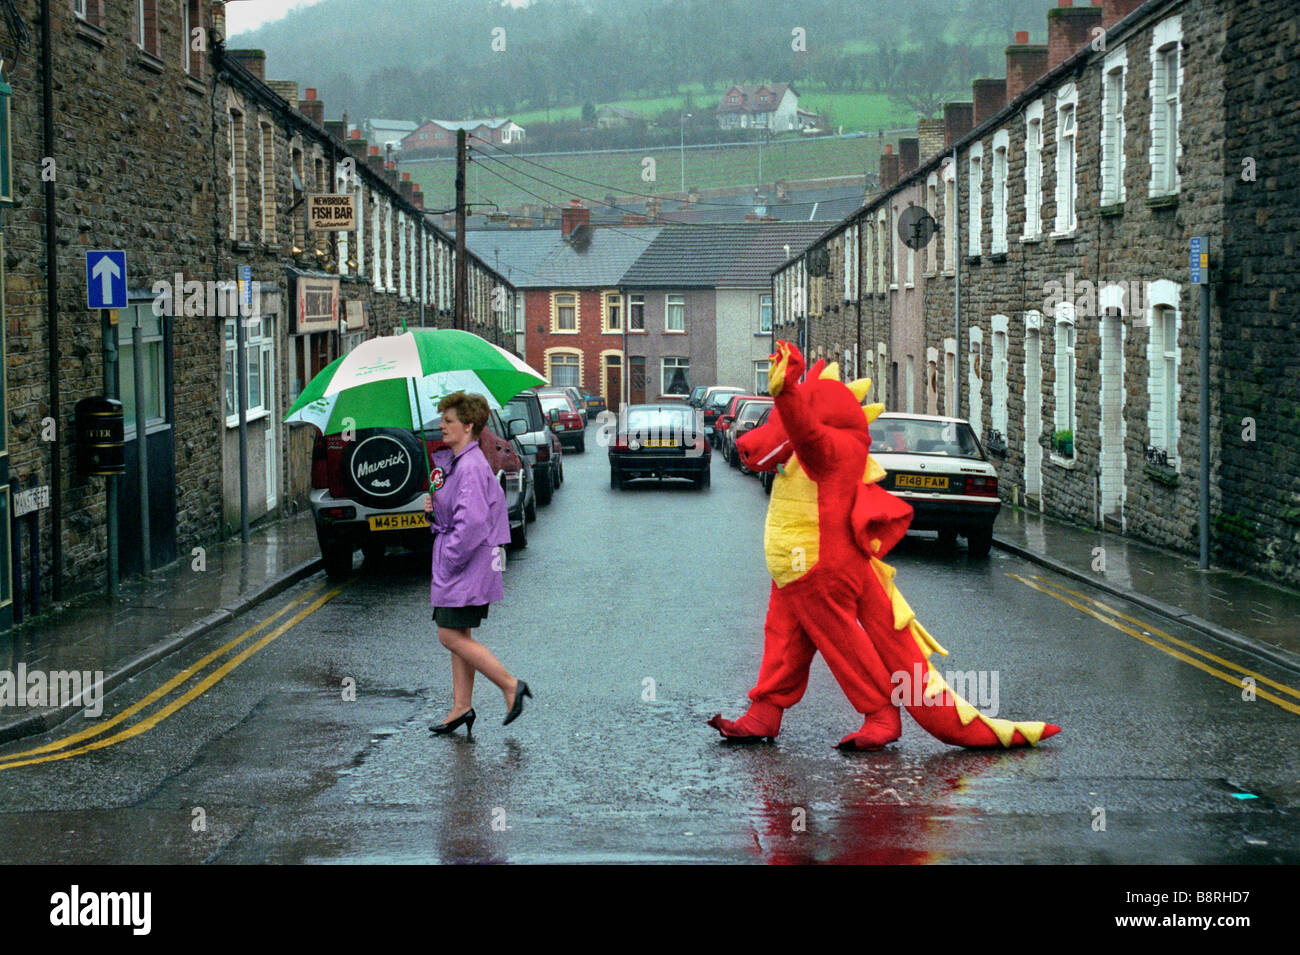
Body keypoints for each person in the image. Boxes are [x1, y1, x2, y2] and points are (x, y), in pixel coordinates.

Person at [425, 391, 531, 736]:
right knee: (459, 633)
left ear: (468, 426)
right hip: (468, 563)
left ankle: (510, 685)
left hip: (465, 564)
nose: (441, 425)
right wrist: (433, 508)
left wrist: (449, 560)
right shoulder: (459, 462)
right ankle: (461, 707)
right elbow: (458, 512)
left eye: (449, 421)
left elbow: (470, 524)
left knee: (447, 635)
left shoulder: (469, 466)